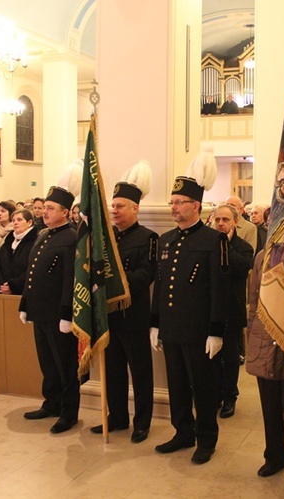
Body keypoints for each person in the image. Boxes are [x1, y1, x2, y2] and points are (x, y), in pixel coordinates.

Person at [150, 151, 229, 465]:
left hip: (199, 332)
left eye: (179, 202)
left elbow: (219, 290)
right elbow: (160, 285)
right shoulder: (166, 239)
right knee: (177, 385)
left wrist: (216, 332)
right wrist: (155, 323)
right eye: (171, 202)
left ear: (195, 205)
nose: (173, 207)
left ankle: (206, 439)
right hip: (171, 328)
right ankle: (183, 431)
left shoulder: (213, 240)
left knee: (204, 388)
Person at [91, 162, 157, 443]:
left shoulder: (148, 238)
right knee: (114, 371)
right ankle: (116, 417)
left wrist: (117, 280)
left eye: (120, 206)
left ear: (135, 209)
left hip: (134, 316)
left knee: (140, 373)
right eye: (113, 206)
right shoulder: (106, 240)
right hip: (109, 317)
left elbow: (147, 274)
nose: (114, 210)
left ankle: (142, 422)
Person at [19, 186, 80, 434]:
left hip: (58, 315)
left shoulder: (72, 238)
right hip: (39, 311)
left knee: (65, 365)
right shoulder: (43, 235)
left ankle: (68, 412)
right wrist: (25, 304)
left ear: (65, 212)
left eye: (51, 208)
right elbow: (31, 273)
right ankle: (51, 403)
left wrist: (67, 313)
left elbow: (70, 279)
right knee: (47, 363)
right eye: (44, 208)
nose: (45, 212)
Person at [245, 251, 284, 485]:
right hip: (264, 336)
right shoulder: (263, 255)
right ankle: (275, 456)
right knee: (269, 405)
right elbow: (254, 299)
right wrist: (252, 332)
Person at [212, 203, 253, 419]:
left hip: (231, 310)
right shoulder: (206, 244)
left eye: (225, 220)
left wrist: (225, 245)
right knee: (211, 357)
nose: (220, 223)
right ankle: (215, 394)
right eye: (217, 219)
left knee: (229, 357)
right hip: (210, 311)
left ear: (235, 222)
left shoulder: (243, 246)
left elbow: (243, 266)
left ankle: (229, 397)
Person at [0, 208, 37, 295]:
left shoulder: (35, 242)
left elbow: (33, 269)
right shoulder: (8, 242)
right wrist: (1, 284)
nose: (15, 222)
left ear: (29, 222)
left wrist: (13, 285)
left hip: (24, 291)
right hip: (3, 290)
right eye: (13, 220)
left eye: (19, 220)